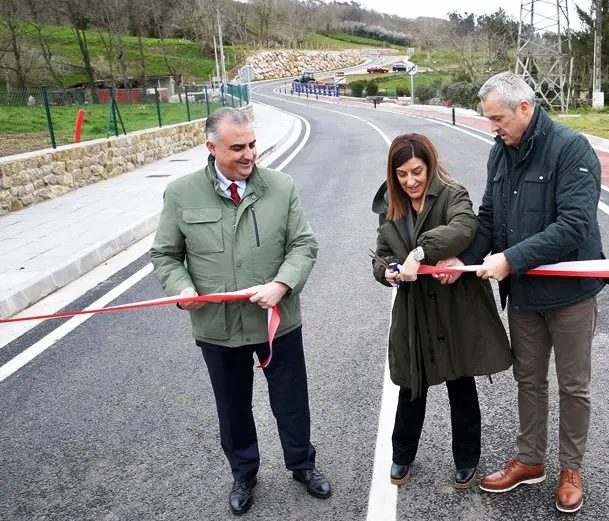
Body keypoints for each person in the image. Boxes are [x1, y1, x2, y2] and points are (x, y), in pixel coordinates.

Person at [437, 72, 609, 513]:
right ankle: (531, 459)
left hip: (571, 293)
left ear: (525, 109)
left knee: (574, 386)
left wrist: (510, 259)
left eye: (497, 118)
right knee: (528, 381)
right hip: (526, 296)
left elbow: (575, 225)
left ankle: (571, 468)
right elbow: (491, 217)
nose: (492, 127)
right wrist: (465, 259)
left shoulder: (571, 148)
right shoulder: (500, 153)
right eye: (489, 119)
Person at [150, 107, 332, 516]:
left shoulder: (281, 187)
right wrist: (182, 290)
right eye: (237, 148)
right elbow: (165, 254)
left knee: (291, 400)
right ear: (210, 147)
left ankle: (303, 465)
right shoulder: (181, 193)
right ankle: (244, 473)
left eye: (252, 144)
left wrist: (281, 284)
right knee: (232, 407)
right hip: (217, 328)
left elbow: (304, 244)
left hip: (277, 321)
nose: (249, 154)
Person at [370, 133, 513, 490]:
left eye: (417, 171)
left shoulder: (452, 192)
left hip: (454, 307)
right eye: (402, 174)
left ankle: (466, 460)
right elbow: (382, 253)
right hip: (414, 307)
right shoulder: (390, 202)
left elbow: (465, 228)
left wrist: (419, 254)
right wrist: (387, 271)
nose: (411, 181)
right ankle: (402, 454)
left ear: (430, 165)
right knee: (411, 382)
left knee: (460, 382)